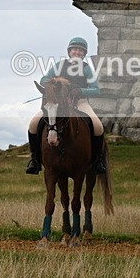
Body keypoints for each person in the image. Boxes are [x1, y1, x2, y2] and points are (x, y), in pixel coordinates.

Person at [26, 37, 107, 175]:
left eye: (80, 50)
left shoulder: (86, 69)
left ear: (84, 54)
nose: (77, 52)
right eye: (75, 49)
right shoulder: (59, 65)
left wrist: (80, 90)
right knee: (33, 124)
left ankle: (97, 161)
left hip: (80, 103)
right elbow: (44, 80)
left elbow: (96, 90)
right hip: (58, 104)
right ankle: (35, 160)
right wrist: (55, 81)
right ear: (69, 51)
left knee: (98, 126)